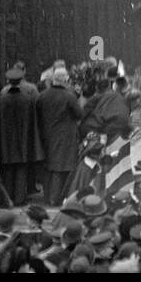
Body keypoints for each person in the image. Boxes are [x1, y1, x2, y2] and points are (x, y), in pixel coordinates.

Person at [0, 65, 45, 204]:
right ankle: (20, 199)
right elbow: (32, 122)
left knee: (7, 170)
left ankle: (8, 198)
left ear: (8, 81)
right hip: (23, 141)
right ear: (21, 79)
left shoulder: (1, 99)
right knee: (21, 170)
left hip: (5, 142)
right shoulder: (27, 99)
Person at [37, 68, 84, 205]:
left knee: (47, 166)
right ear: (65, 79)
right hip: (64, 137)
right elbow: (78, 114)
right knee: (60, 167)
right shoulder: (69, 96)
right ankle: (55, 199)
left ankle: (46, 197)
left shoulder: (42, 96)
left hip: (45, 135)